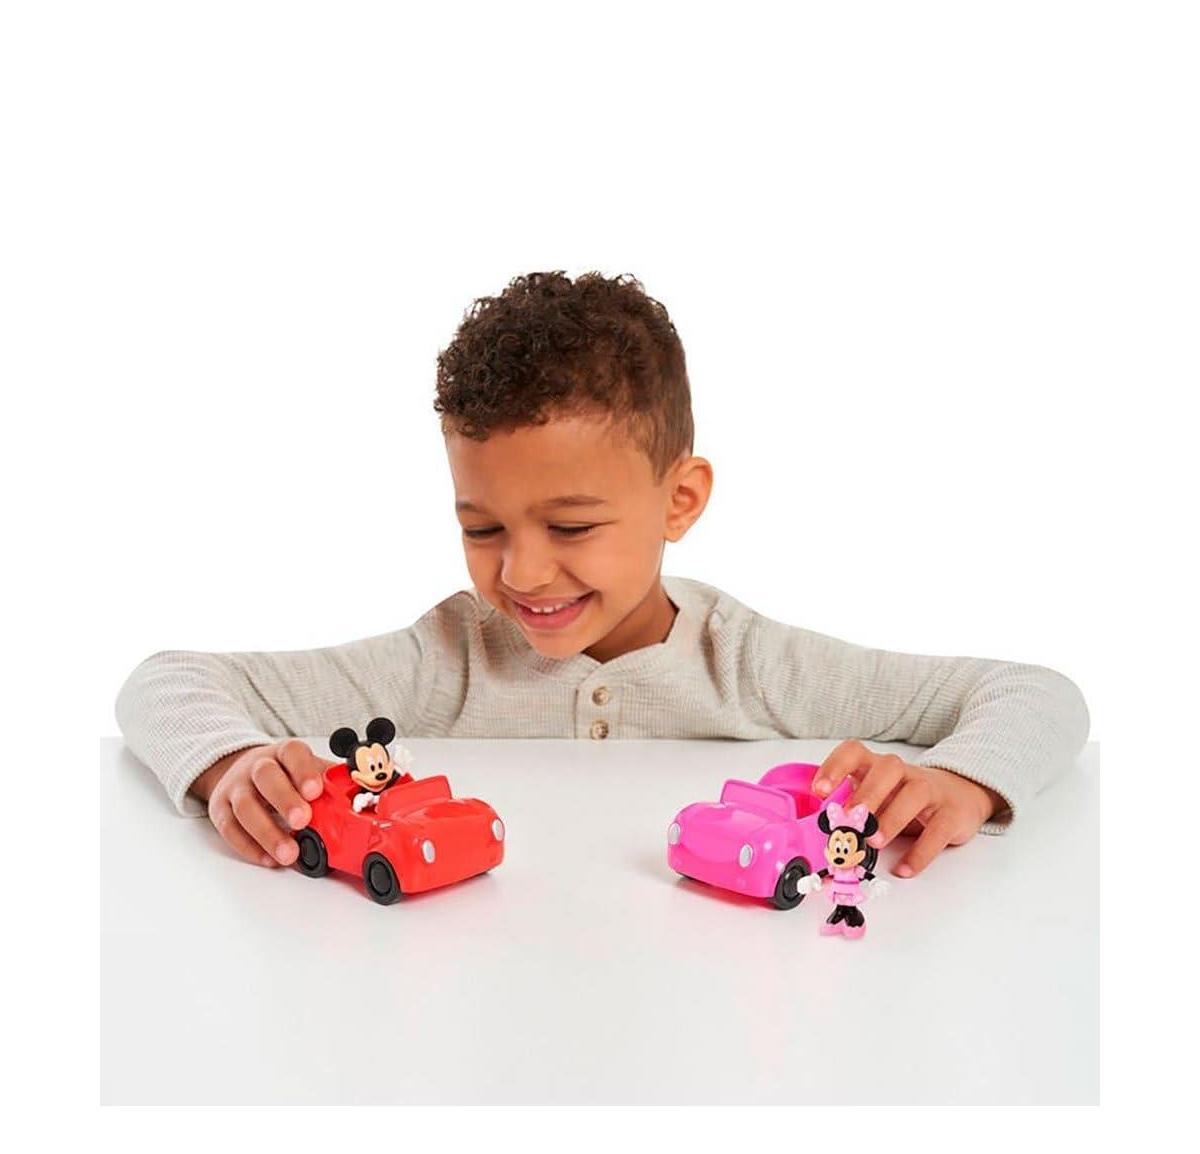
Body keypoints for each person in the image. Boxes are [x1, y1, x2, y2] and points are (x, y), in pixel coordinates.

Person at [115, 270, 1089, 877]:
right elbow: (166, 681)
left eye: (571, 525)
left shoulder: (750, 665)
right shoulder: (446, 660)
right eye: (481, 526)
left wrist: (962, 781)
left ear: (680, 500)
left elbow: (1035, 694)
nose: (522, 570)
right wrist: (231, 764)